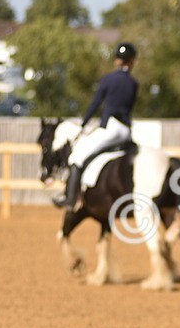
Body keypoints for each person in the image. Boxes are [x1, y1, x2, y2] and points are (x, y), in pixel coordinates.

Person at [56, 42, 139, 210]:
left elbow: (95, 104)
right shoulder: (133, 83)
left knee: (77, 157)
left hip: (111, 128)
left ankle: (70, 198)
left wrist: (83, 124)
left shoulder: (108, 79)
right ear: (131, 61)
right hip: (127, 131)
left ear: (117, 61)